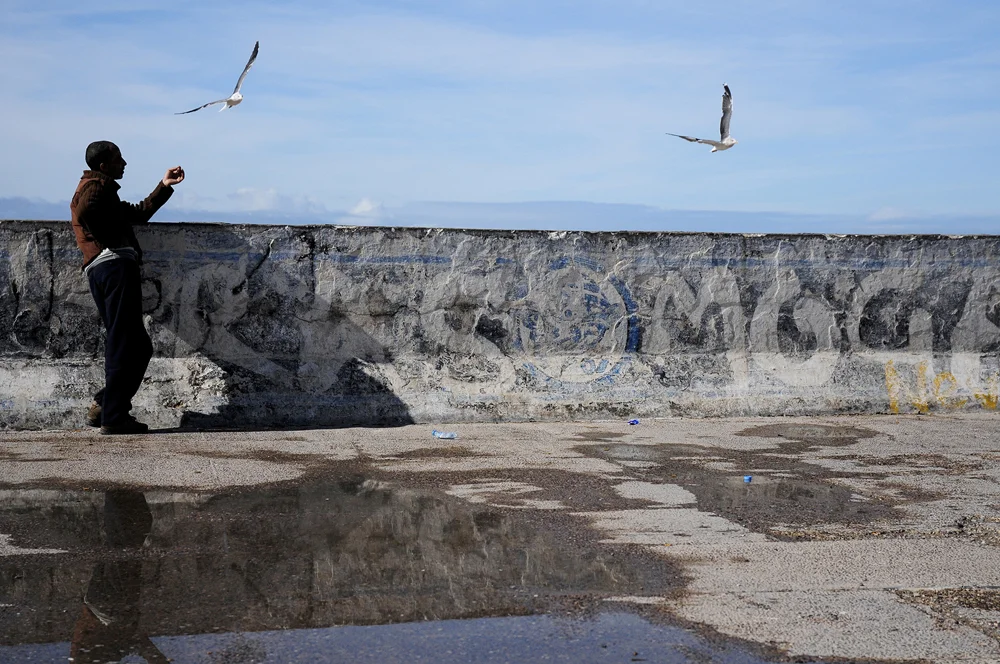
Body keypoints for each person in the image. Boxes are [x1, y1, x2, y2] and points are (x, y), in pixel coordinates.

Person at [69, 141, 184, 434]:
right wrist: (110, 242)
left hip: (108, 269)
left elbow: (138, 213)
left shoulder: (101, 190)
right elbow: (87, 211)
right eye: (118, 159)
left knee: (137, 345)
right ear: (104, 165)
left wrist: (164, 186)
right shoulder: (95, 188)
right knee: (124, 342)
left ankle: (106, 403)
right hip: (113, 267)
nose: (124, 163)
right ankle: (114, 417)